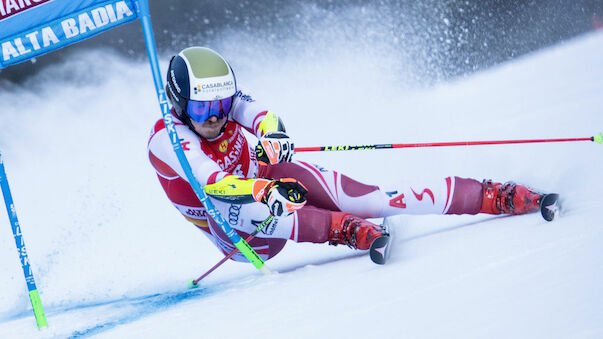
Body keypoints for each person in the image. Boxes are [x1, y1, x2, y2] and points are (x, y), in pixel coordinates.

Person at [147, 46, 544, 263]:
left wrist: (274, 136)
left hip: (270, 187)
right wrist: (262, 190)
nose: (215, 116)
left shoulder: (222, 106)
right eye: (203, 109)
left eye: (222, 104)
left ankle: (491, 195)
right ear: (180, 103)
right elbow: (211, 180)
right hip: (241, 233)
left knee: (370, 198)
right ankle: (344, 230)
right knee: (237, 201)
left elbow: (263, 115)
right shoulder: (167, 137)